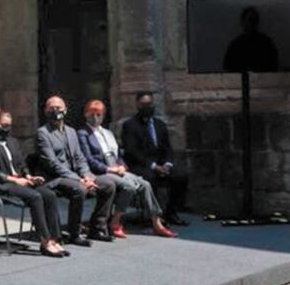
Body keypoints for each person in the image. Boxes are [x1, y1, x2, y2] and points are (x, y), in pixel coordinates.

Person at [77, 100, 177, 239]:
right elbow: (89, 159)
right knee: (128, 186)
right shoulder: (82, 133)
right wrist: (111, 169)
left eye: (99, 114)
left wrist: (122, 165)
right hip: (102, 171)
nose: (95, 118)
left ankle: (157, 223)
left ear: (103, 115)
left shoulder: (107, 133)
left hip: (116, 167)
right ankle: (115, 223)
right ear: (86, 114)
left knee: (145, 184)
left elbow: (117, 154)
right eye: (92, 114)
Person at [0, 109, 68, 257]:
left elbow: (21, 164)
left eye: (9, 125)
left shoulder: (12, 142)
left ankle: (55, 238)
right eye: (3, 125)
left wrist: (29, 176)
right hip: (3, 183)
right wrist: (16, 180)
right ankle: (45, 241)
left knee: (49, 194)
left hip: (21, 180)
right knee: (35, 197)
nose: (6, 128)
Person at [35, 95, 116, 246]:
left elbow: (79, 158)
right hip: (55, 178)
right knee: (80, 189)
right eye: (51, 108)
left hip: (77, 176)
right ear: (45, 111)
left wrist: (87, 175)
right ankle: (74, 233)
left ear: (65, 110)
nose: (55, 111)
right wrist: (80, 180)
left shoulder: (71, 131)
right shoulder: (43, 133)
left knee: (108, 184)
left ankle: (97, 228)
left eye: (58, 108)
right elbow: (52, 164)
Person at [121, 92, 189, 227]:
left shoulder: (160, 125)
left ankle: (171, 212)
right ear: (137, 105)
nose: (147, 107)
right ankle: (155, 217)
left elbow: (167, 148)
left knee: (181, 176)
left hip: (161, 164)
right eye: (143, 104)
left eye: (149, 104)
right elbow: (132, 152)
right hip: (141, 165)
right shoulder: (130, 125)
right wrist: (153, 166)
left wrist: (167, 165)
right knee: (150, 178)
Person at [223, 6, 279, 73]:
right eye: (250, 20)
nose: (253, 23)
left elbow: (274, 66)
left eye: (255, 20)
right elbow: (228, 67)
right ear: (243, 22)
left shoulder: (267, 43)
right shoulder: (235, 45)